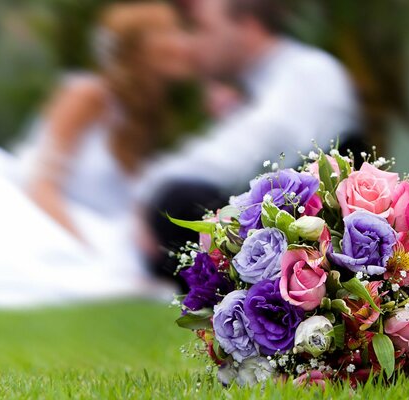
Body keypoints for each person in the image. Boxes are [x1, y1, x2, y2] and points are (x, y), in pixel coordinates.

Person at [0, 2, 193, 306]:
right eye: (171, 31)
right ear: (140, 47)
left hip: (102, 227)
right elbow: (43, 183)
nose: (185, 42)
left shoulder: (147, 116)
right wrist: (88, 254)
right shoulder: (87, 95)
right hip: (31, 202)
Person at [141, 0, 363, 283]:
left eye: (203, 28)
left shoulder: (307, 72)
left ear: (247, 25)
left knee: (178, 202)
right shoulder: (265, 82)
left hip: (316, 251)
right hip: (292, 238)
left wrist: (148, 190)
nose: (195, 44)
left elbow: (241, 154)